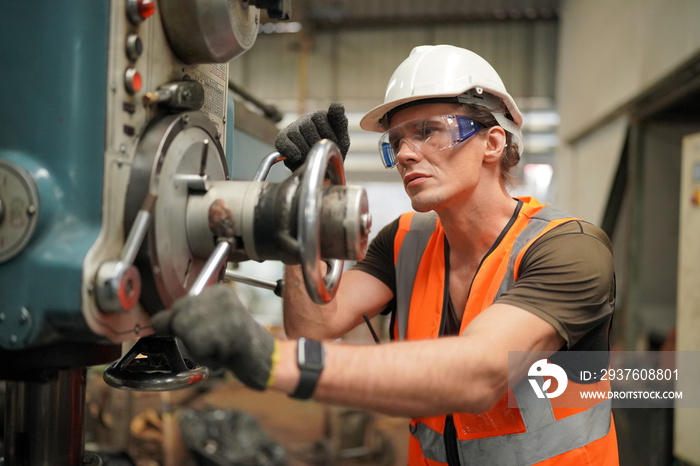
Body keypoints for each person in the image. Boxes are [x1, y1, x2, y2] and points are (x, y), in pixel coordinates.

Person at [153, 45, 619, 465]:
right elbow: (313, 326)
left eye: (428, 132)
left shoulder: (569, 249)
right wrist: (300, 207)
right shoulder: (405, 241)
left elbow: (482, 373)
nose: (406, 154)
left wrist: (270, 360)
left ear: (493, 143)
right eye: (395, 141)